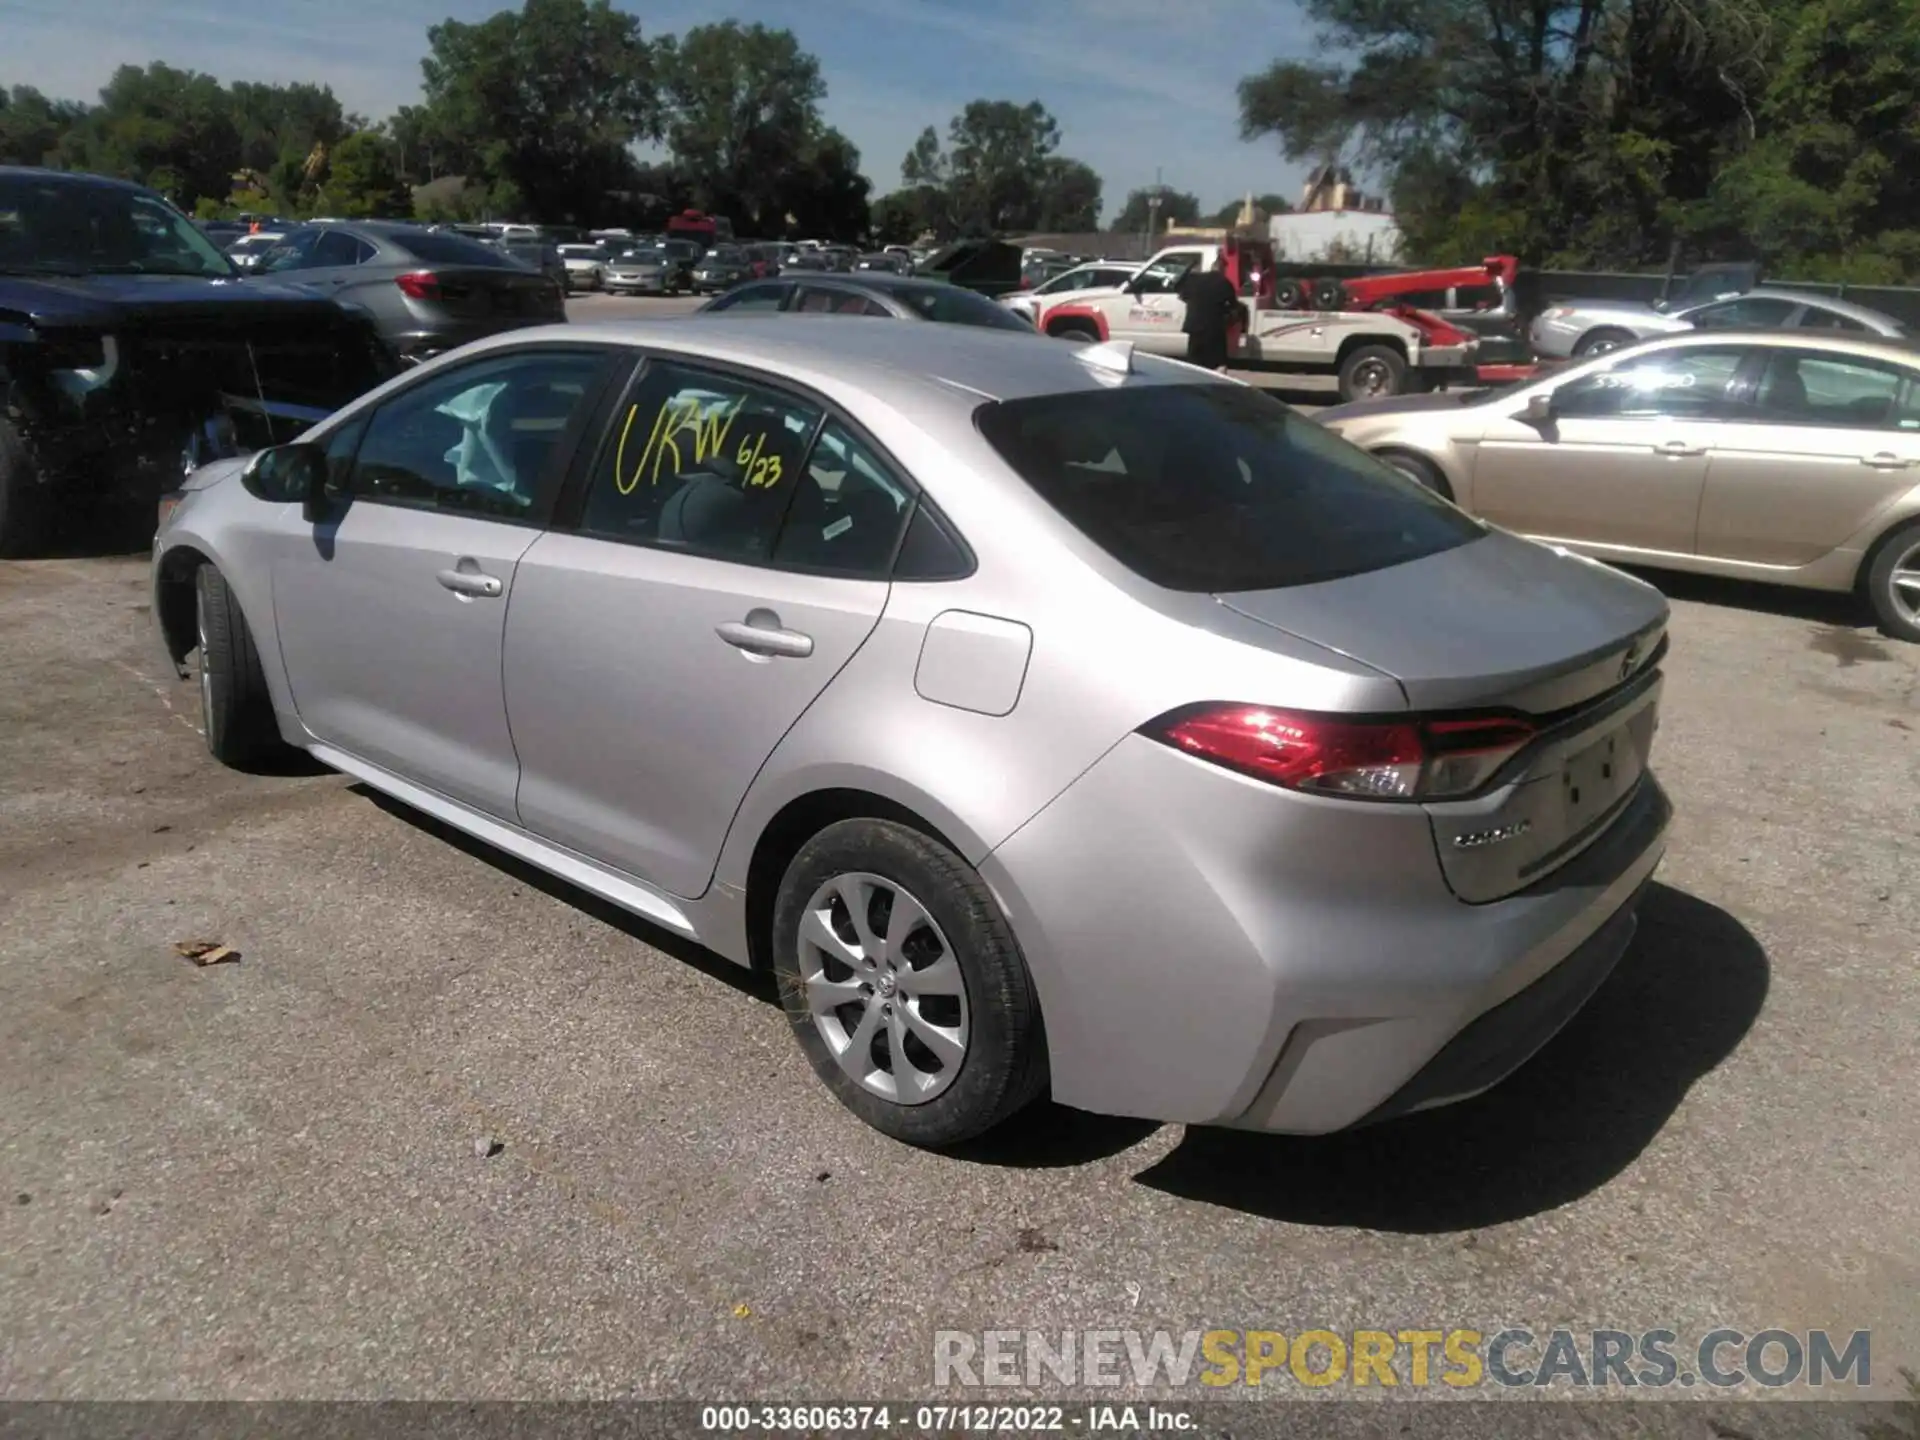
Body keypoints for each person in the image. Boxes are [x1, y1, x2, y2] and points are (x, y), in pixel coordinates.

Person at [1177, 255, 1241, 371]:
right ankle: (1218, 384)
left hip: (1194, 327)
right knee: (1218, 362)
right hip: (1213, 329)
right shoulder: (1224, 282)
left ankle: (1193, 384)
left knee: (1194, 361)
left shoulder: (1194, 279)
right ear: (1223, 269)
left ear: (1212, 266)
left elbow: (1182, 293)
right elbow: (1233, 306)